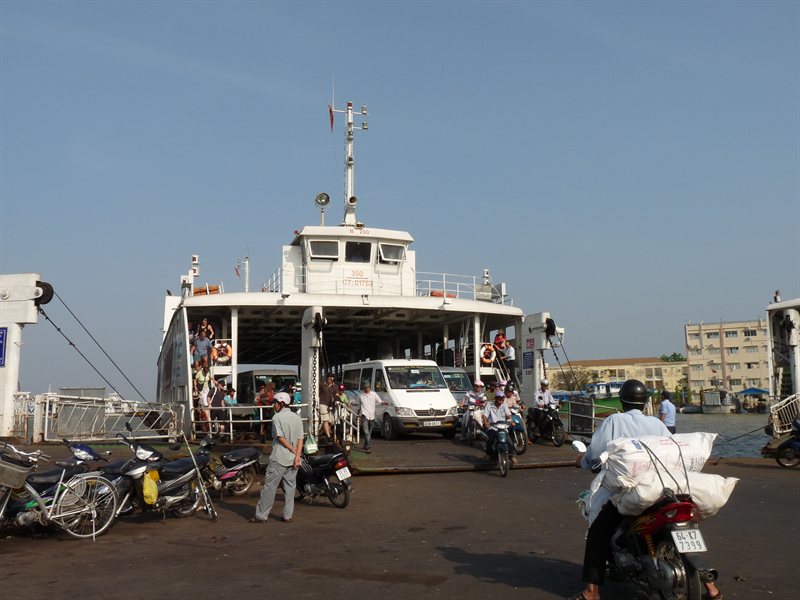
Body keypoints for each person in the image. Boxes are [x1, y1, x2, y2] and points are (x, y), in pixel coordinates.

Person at [569, 379, 722, 600]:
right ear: (645, 402)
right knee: (682, 531)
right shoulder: (657, 424)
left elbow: (594, 455)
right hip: (664, 488)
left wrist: (582, 461)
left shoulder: (614, 420)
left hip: (631, 490)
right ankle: (712, 588)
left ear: (622, 400)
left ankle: (591, 591)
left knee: (598, 532)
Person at [251, 392, 304, 524]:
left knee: (269, 487)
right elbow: (300, 439)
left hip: (279, 458)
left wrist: (291, 449)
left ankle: (261, 516)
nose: (273, 405)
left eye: (274, 402)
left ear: (281, 403)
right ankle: (287, 516)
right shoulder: (297, 417)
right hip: (293, 459)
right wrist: (297, 456)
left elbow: (280, 438)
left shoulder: (277, 418)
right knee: (291, 488)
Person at [482, 389, 515, 461]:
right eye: (499, 398)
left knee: (509, 441)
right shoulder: (489, 405)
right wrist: (486, 422)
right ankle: (488, 453)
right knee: (490, 439)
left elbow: (509, 415)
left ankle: (511, 456)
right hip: (493, 427)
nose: (501, 400)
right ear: (495, 399)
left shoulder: (504, 405)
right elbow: (484, 416)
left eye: (502, 398)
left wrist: (511, 421)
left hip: (503, 427)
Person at [358, 384, 385, 453]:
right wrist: (358, 416)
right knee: (366, 432)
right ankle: (368, 447)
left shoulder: (374, 394)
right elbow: (359, 407)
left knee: (369, 433)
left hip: (372, 415)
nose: (366, 389)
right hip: (364, 415)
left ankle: (365, 445)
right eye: (365, 387)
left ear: (369, 387)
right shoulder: (361, 396)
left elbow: (380, 401)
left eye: (367, 387)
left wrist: (384, 403)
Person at [318, 374, 337, 441]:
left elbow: (336, 396)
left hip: (330, 405)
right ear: (327, 379)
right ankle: (328, 436)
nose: (331, 380)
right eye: (330, 379)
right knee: (325, 419)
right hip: (322, 403)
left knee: (330, 421)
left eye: (332, 379)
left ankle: (320, 433)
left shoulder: (335, 387)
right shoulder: (322, 385)